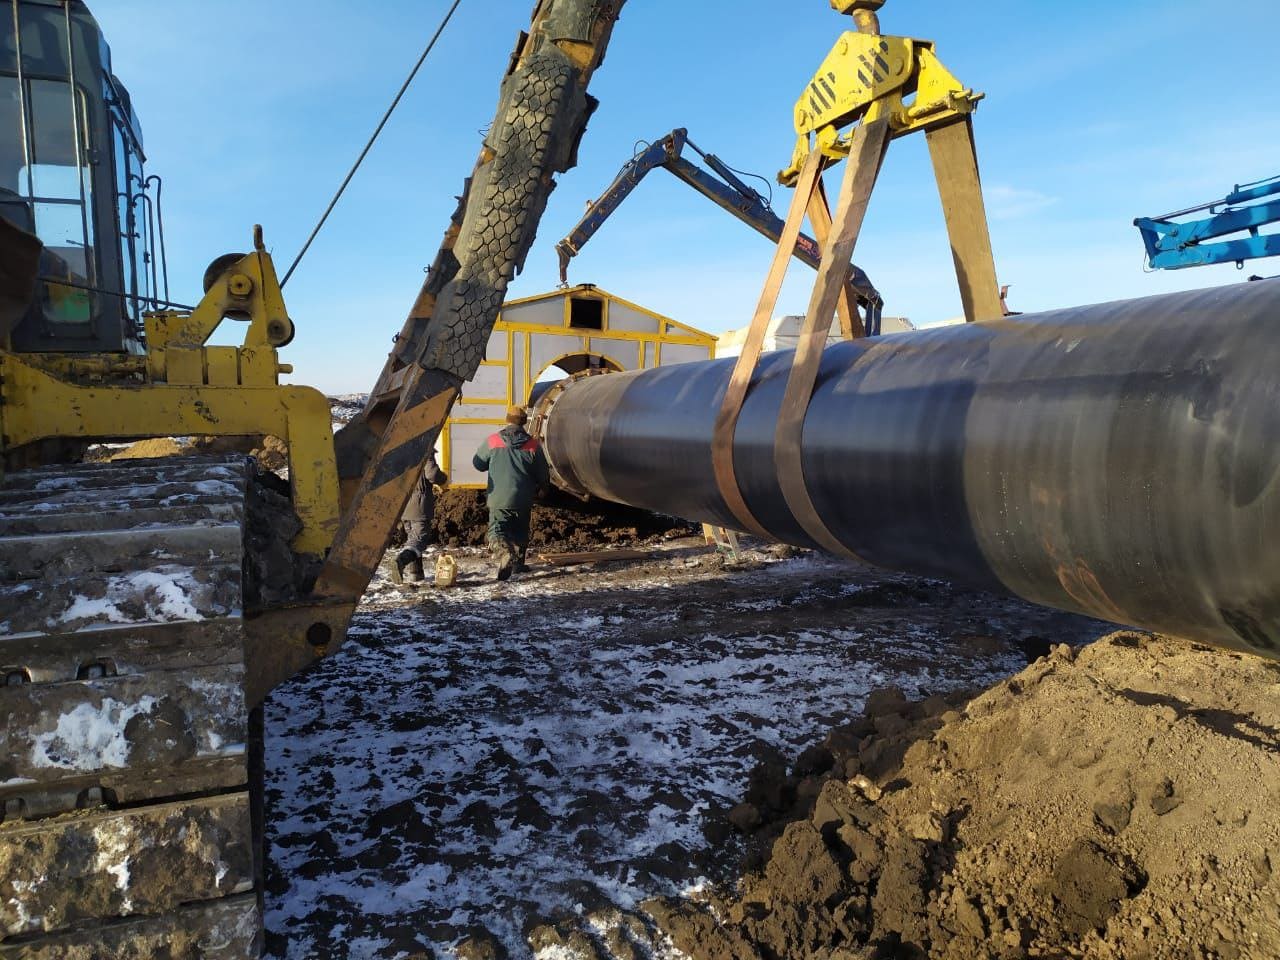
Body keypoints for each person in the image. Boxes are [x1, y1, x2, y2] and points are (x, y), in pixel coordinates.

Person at [472, 405, 549, 581]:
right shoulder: (533, 445)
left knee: (497, 531)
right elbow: (543, 474)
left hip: (499, 498)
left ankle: (504, 553)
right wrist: (544, 490)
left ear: (507, 420)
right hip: (523, 498)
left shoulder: (493, 441)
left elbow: (478, 464)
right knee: (520, 530)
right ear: (523, 422)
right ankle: (518, 564)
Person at [391, 451, 448, 584]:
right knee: (419, 539)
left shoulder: (399, 449)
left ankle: (416, 574)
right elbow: (432, 474)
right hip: (418, 503)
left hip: (404, 503)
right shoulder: (424, 448)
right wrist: (444, 479)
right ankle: (401, 560)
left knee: (412, 538)